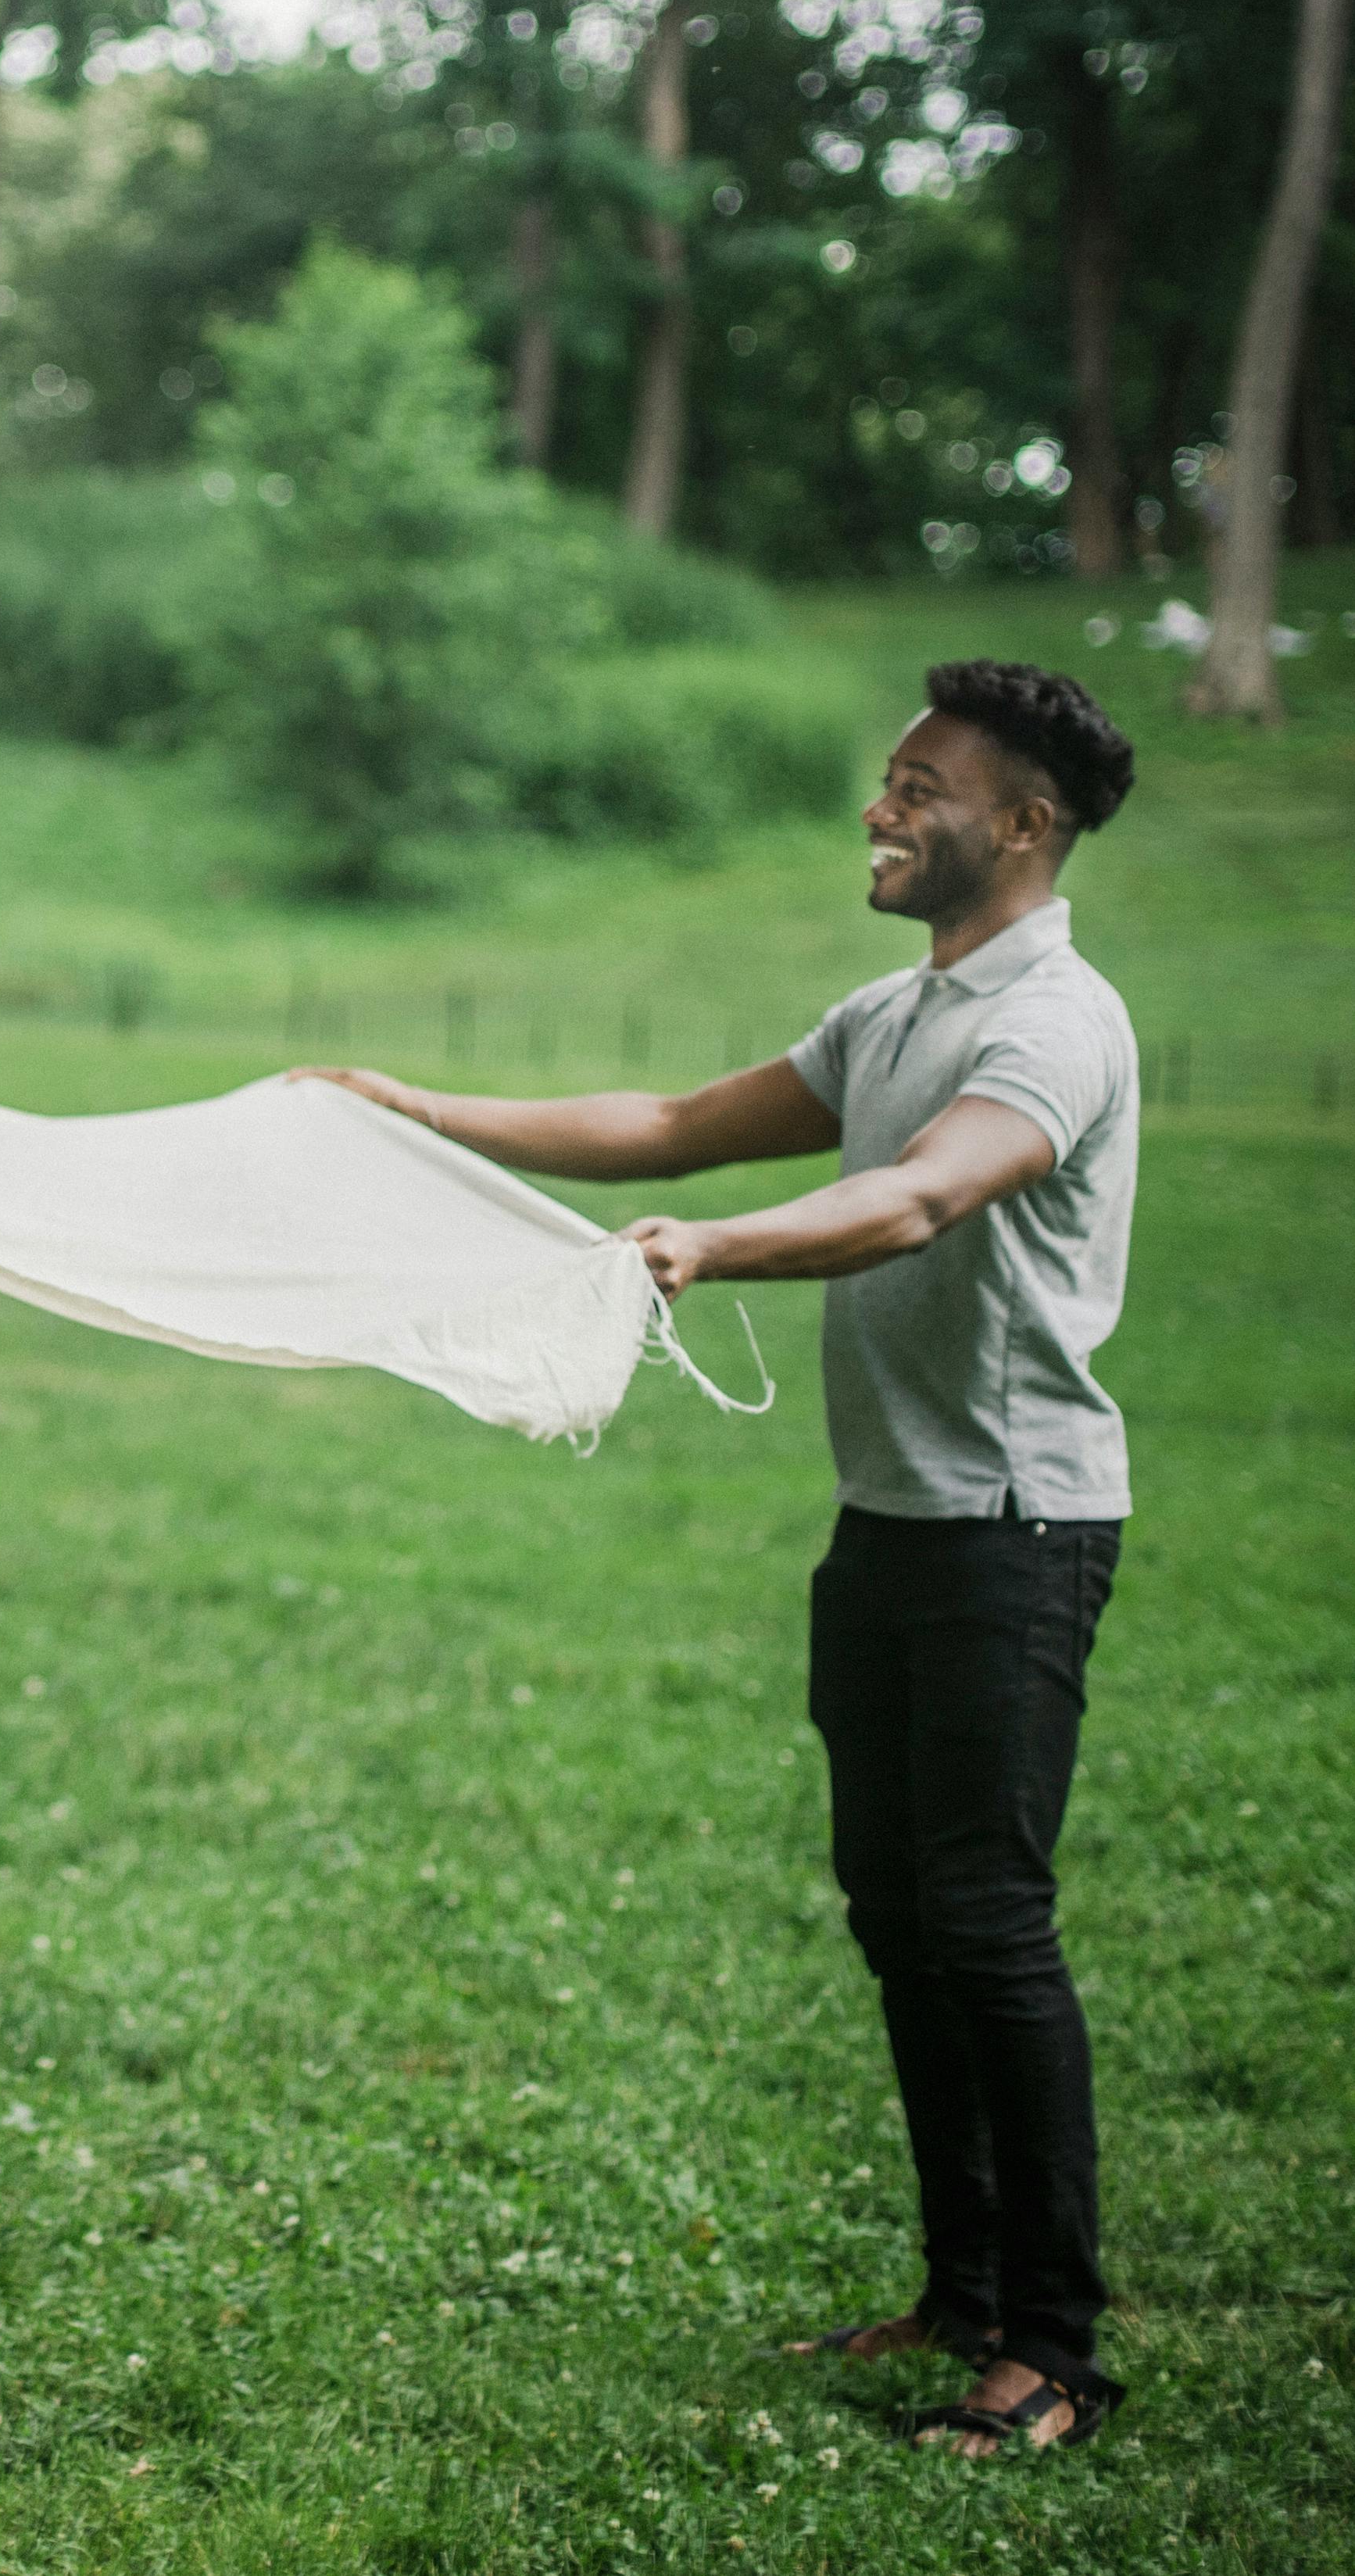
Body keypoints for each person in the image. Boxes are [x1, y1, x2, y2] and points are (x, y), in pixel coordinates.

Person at [307, 660, 1142, 2457]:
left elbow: (916, 1197)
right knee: (898, 1918)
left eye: (917, 789)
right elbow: (672, 1125)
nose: (877, 809)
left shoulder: (1052, 1027)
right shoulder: (889, 1013)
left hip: (1013, 1531)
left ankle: (1054, 2352)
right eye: (885, 779)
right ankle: (961, 2296)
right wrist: (412, 1107)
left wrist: (709, 1251)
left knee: (983, 1926)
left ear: (1022, 825)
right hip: (889, 1530)